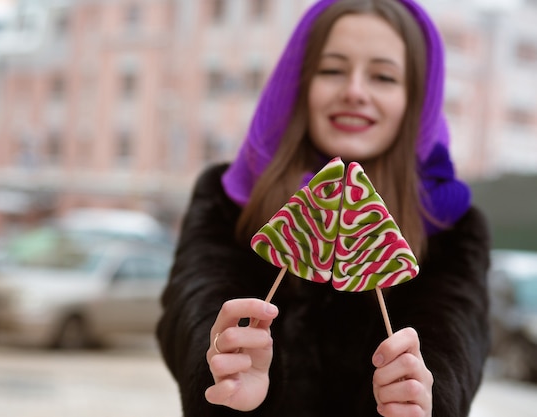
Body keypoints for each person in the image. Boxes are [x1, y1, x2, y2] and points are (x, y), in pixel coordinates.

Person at [157, 0, 490, 416]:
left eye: (383, 76)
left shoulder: (452, 225)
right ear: (299, 83)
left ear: (415, 101)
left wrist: (425, 399)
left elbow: (456, 344)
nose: (354, 91)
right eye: (332, 70)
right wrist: (225, 372)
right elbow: (189, 311)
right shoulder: (228, 197)